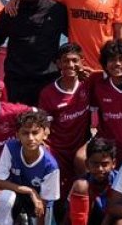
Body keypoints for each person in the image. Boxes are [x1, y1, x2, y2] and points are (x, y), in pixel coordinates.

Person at [0, 0, 70, 105]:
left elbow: (73, 37)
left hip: (47, 80)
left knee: (46, 122)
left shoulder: (56, 11)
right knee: (20, 123)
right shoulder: (11, 11)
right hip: (17, 81)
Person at [39, 43, 92, 197]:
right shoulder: (48, 93)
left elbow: (109, 75)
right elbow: (45, 126)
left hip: (81, 146)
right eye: (66, 61)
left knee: (81, 187)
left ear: (82, 61)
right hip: (58, 150)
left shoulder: (88, 84)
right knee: (57, 194)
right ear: (58, 64)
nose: (70, 65)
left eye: (75, 60)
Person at [0, 110, 61, 225]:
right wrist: (30, 191)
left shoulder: (51, 166)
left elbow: (44, 202)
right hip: (18, 195)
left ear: (44, 134)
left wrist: (35, 197)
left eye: (35, 133)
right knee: (5, 197)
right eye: (25, 133)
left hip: (39, 203)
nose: (30, 138)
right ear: (17, 135)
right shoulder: (11, 148)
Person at [68, 137, 118, 225]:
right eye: (95, 164)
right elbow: (68, 214)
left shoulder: (119, 180)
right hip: (88, 221)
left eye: (104, 164)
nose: (99, 169)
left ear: (113, 164)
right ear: (87, 164)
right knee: (80, 185)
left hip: (112, 221)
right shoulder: (82, 183)